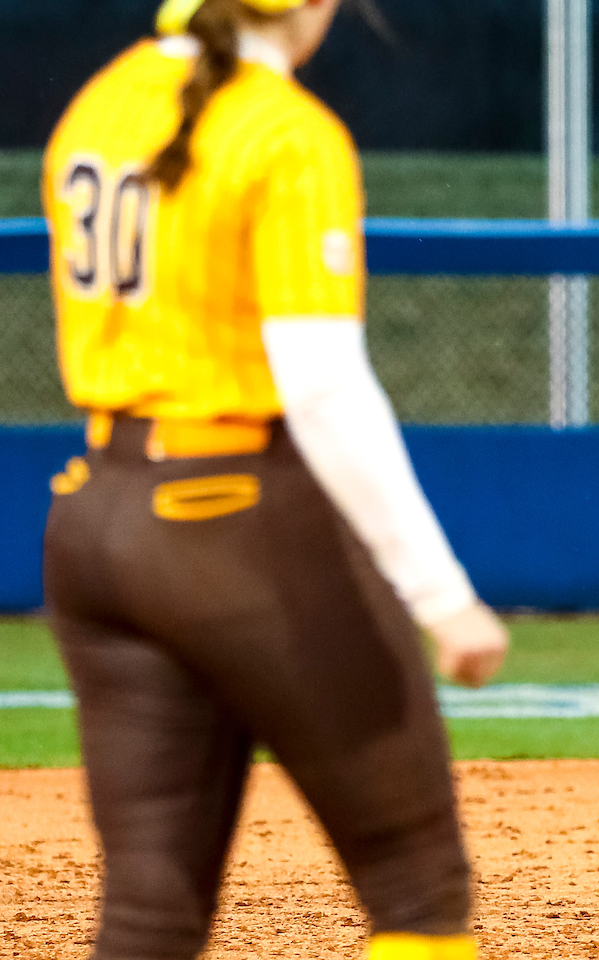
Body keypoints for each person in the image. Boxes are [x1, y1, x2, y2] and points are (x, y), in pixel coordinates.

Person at [41, 1, 509, 957]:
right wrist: (441, 595)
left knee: (148, 912)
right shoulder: (286, 130)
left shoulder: (100, 102)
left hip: (95, 515)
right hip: (231, 516)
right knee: (416, 883)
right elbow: (324, 386)